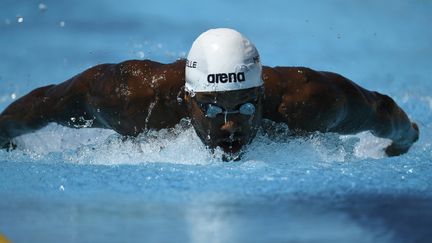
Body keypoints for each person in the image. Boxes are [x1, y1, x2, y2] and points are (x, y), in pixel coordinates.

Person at [0, 28, 419, 160]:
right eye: (214, 108)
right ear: (187, 98)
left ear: (262, 90)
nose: (230, 124)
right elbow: (46, 103)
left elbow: (382, 112)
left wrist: (402, 143)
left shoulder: (309, 102)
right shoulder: (130, 99)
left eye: (246, 106)